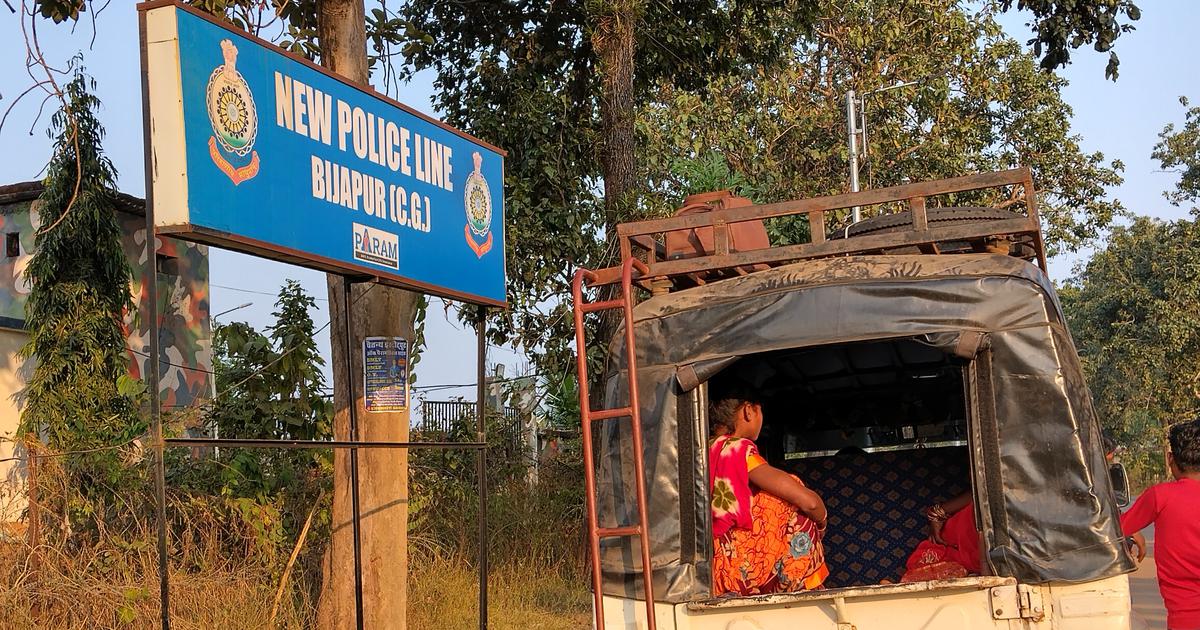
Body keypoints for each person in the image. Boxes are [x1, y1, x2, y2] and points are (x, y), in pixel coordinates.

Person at [902, 431, 1122, 583]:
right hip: (965, 549)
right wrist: (937, 514)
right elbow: (981, 495)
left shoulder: (1060, 492)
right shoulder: (1035, 483)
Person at [708, 383, 829, 596]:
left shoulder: (703, 448)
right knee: (795, 493)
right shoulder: (736, 449)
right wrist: (821, 519)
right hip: (738, 565)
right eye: (760, 410)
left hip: (713, 562)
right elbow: (808, 503)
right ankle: (794, 585)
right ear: (748, 410)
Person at [1121, 419, 1200, 630]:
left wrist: (1133, 531)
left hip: (1185, 621)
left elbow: (1113, 529)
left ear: (1170, 458)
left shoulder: (1160, 497)